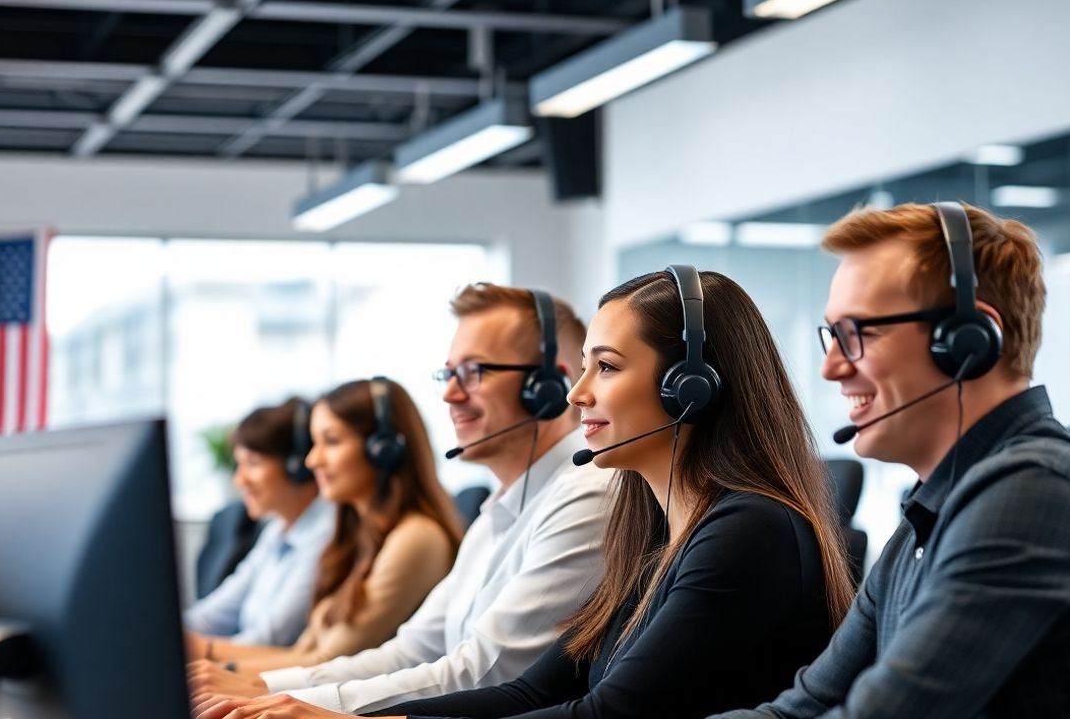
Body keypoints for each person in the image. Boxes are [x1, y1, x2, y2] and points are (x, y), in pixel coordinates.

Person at [193, 266, 854, 719]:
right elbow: (537, 685)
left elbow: (606, 713)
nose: (577, 393)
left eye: (607, 367)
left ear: (692, 387)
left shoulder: (748, 530)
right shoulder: (652, 533)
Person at [712, 202, 1070, 717]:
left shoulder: (1034, 496)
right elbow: (806, 704)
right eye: (831, 336)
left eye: (859, 333)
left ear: (967, 340)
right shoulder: (930, 516)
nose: (831, 368)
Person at [189, 284, 611, 715]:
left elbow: (483, 675)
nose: (449, 394)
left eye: (473, 372)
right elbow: (410, 651)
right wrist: (262, 687)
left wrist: (287, 700)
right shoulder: (497, 512)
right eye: (449, 375)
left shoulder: (585, 496)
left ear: (549, 386)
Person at [194, 377, 462, 673]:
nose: (312, 460)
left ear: (383, 449)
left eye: (331, 441)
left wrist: (219, 671)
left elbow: (330, 661)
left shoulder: (416, 538)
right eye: (314, 443)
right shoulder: (359, 536)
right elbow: (304, 652)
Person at [186, 399, 337, 653]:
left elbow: (270, 639)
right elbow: (216, 612)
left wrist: (188, 649)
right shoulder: (277, 530)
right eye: (238, 464)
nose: (239, 480)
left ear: (297, 466)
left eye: (253, 463)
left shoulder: (328, 534)